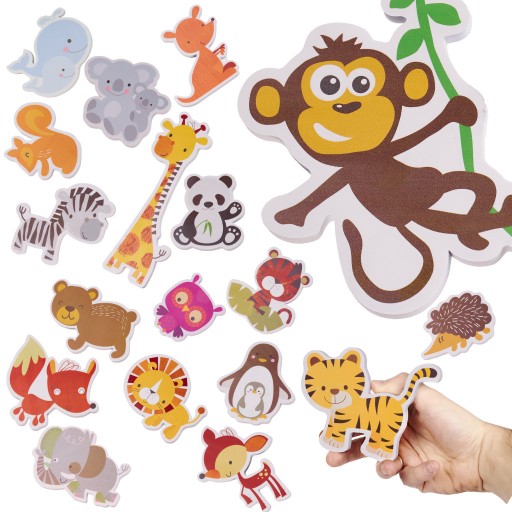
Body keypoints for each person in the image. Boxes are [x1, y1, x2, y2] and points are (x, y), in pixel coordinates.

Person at [326, 373, 512, 502]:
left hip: (387, 411)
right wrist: (481, 454)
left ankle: (382, 443)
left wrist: (481, 450)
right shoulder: (339, 411)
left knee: (383, 437)